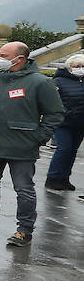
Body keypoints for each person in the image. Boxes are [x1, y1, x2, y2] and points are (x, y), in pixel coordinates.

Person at [0, 42, 64, 245]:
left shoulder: (40, 82)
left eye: (3, 55)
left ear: (20, 59)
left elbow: (56, 113)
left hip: (22, 145)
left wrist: (39, 136)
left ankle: (24, 229)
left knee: (24, 188)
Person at [45, 53, 84, 191]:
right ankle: (53, 177)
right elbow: (54, 101)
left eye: (82, 66)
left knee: (72, 151)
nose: (80, 68)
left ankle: (64, 178)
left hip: (80, 123)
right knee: (64, 148)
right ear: (69, 68)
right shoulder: (58, 81)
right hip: (63, 122)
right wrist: (66, 112)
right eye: (77, 66)